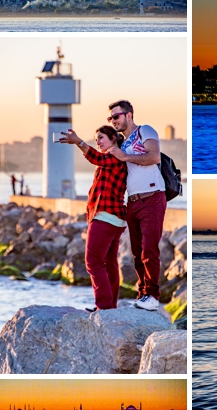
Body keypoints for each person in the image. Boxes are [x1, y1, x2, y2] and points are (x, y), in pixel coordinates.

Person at [106, 100, 166, 312]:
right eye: (110, 118)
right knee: (136, 252)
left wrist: (125, 156)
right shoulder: (121, 142)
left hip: (152, 197)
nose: (113, 121)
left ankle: (152, 295)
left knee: (150, 250)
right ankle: (142, 293)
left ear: (128, 115)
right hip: (132, 202)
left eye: (116, 116)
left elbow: (154, 156)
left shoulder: (145, 130)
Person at [60, 126, 127, 312]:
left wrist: (79, 142)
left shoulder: (114, 155)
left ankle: (103, 306)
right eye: (96, 139)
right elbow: (99, 159)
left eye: (101, 137)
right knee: (110, 263)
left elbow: (95, 157)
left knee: (93, 262)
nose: (98, 142)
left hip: (105, 216)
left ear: (113, 138)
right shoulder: (113, 158)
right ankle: (110, 305)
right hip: (116, 218)